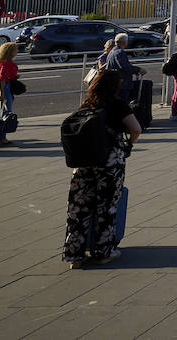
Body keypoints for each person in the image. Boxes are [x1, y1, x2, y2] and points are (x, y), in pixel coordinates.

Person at [61, 69, 141, 267]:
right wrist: (129, 143)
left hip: (83, 160)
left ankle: (74, 255)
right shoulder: (118, 105)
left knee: (78, 207)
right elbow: (136, 129)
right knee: (106, 205)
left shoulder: (86, 105)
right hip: (108, 161)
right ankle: (103, 250)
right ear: (115, 86)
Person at [104, 33, 144, 102]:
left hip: (113, 82)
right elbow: (124, 67)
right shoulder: (119, 52)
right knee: (123, 104)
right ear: (124, 42)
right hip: (121, 83)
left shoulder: (112, 52)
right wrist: (138, 69)